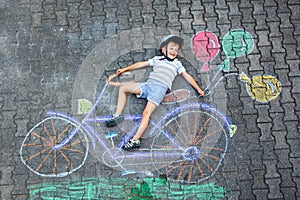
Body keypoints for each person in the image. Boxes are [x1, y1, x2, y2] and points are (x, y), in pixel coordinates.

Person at [106, 35, 204, 150]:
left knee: (146, 113)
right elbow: (141, 64)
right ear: (164, 50)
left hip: (159, 90)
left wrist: (198, 89)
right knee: (123, 88)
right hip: (148, 85)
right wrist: (125, 69)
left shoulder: (177, 64)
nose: (174, 51)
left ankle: (135, 140)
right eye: (171, 48)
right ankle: (117, 115)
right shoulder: (158, 59)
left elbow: (187, 76)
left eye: (176, 50)